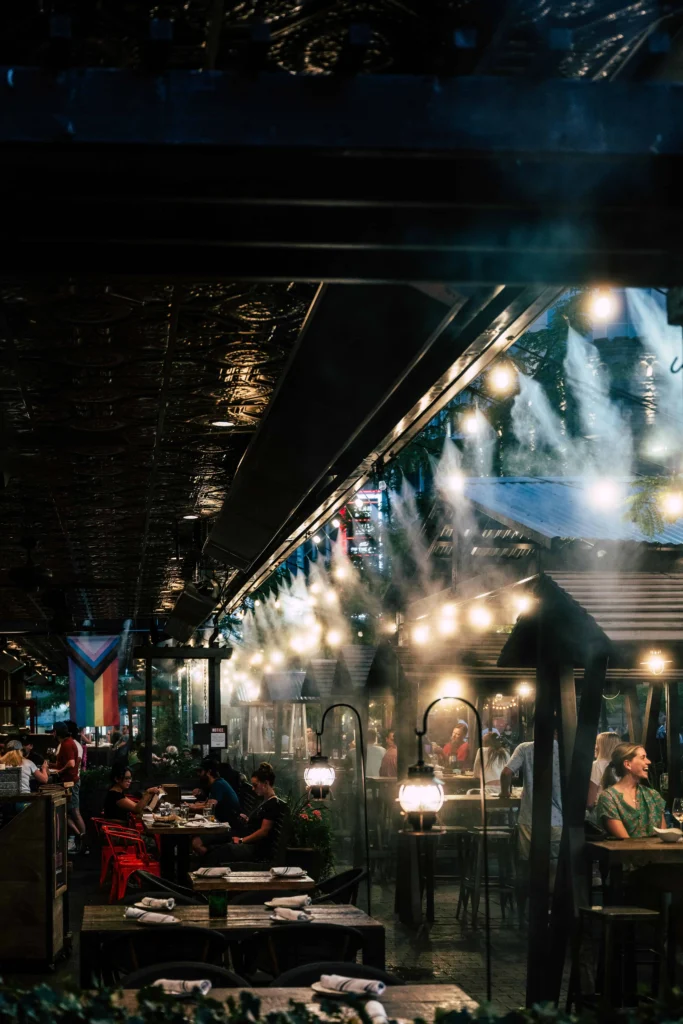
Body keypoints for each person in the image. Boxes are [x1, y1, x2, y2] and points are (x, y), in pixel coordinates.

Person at [501, 732, 563, 890]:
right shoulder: (565, 749)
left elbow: (506, 772)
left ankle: (526, 906)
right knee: (554, 866)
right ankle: (549, 905)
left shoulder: (525, 748)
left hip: (530, 818)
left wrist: (505, 793)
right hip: (558, 819)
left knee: (527, 864)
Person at [200, 762, 284, 865]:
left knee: (216, 852)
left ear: (266, 783)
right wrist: (248, 820)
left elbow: (263, 831)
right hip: (248, 841)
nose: (253, 788)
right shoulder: (265, 801)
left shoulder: (272, 804)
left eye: (255, 785)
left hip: (255, 849)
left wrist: (242, 840)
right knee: (214, 848)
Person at [596, 743, 666, 838]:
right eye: (643, 757)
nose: (648, 761)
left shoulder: (653, 795)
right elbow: (626, 842)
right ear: (628, 764)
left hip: (658, 852)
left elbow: (664, 836)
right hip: (627, 852)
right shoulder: (609, 797)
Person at [190, 759, 240, 826]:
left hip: (226, 824)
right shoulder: (217, 783)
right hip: (222, 820)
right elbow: (209, 803)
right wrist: (194, 805)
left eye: (201, 771)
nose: (199, 774)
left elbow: (211, 807)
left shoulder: (218, 784)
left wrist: (194, 807)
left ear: (209, 772)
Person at [587, 731, 621, 812]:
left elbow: (591, 794)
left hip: (601, 809)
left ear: (604, 746)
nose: (595, 747)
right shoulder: (622, 765)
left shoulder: (596, 765)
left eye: (597, 743)